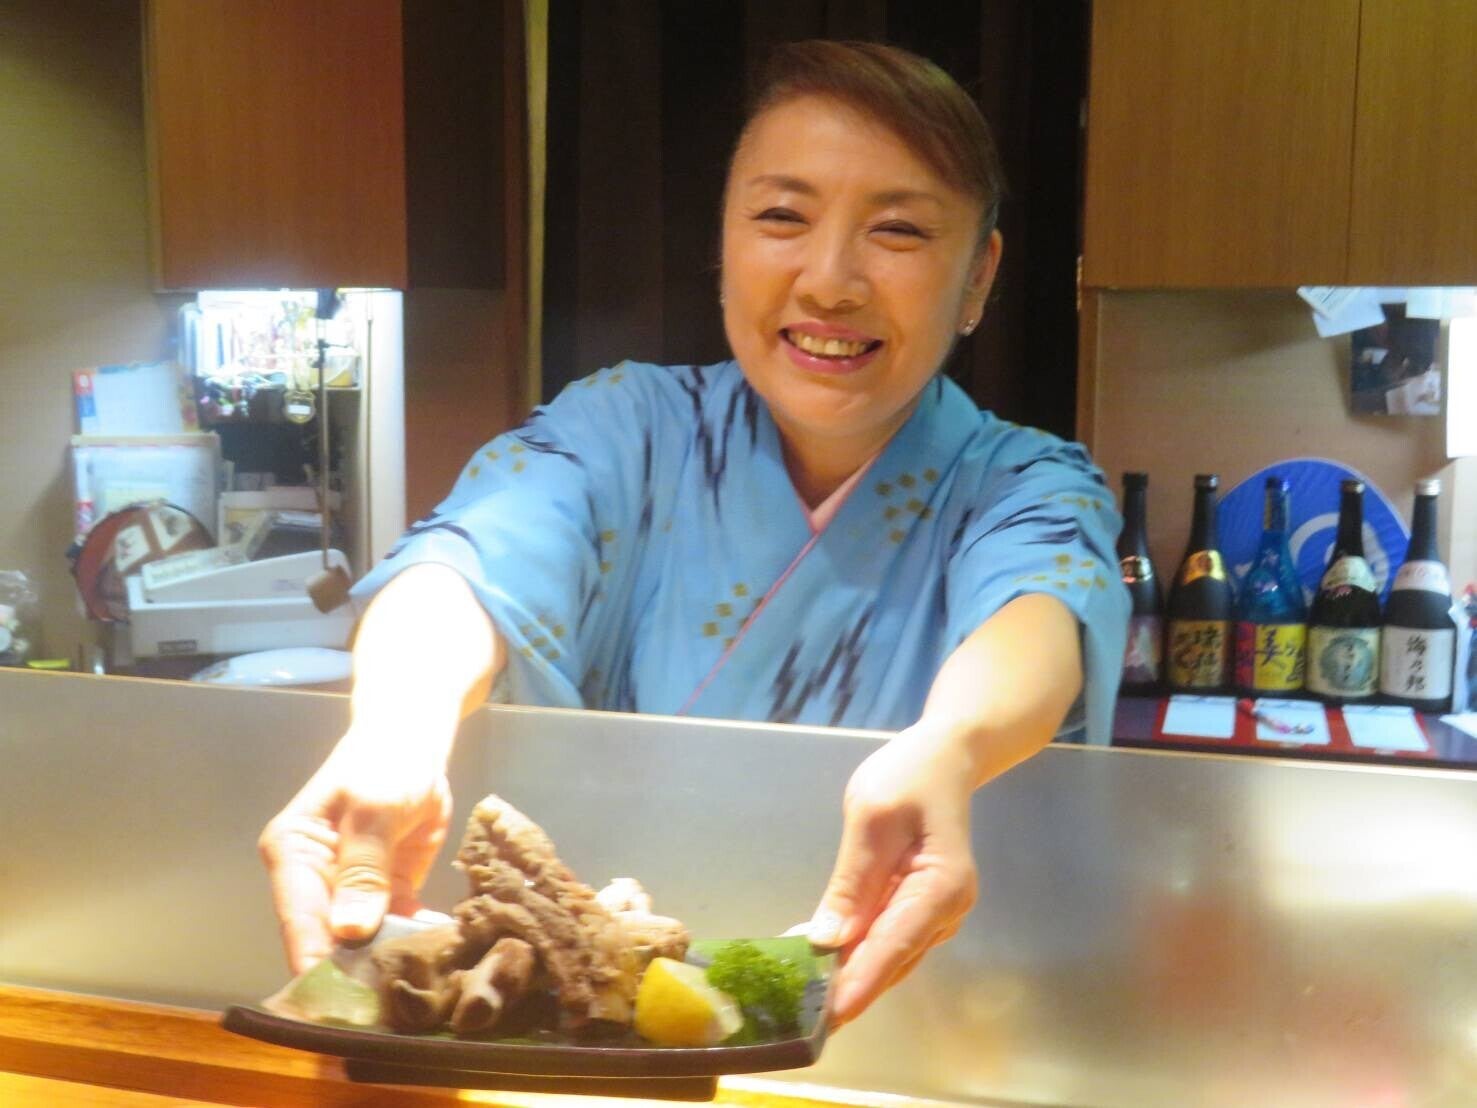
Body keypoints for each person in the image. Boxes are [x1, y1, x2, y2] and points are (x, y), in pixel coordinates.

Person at [260, 40, 1128, 1029]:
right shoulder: (624, 426)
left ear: (978, 278)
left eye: (897, 230)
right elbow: (463, 562)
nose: (829, 282)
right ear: (722, 243)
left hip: (907, 1020)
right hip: (589, 1017)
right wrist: (396, 731)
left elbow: (1038, 613)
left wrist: (950, 746)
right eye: (781, 217)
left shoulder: (1022, 481)